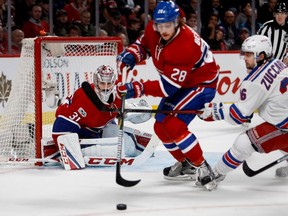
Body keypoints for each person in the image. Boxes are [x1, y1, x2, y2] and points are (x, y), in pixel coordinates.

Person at [116, 0, 219, 190]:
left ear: (177, 22)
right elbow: (144, 44)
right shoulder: (154, 28)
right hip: (181, 83)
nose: (163, 30)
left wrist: (136, 89)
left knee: (174, 125)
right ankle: (185, 163)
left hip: (201, 83)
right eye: (160, 25)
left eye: (168, 25)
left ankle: (203, 168)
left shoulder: (185, 45)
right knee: (160, 127)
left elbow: (168, 89)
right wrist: (133, 53)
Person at [199, 35, 288, 182]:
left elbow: (238, 116)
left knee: (244, 142)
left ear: (261, 55)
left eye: (248, 54)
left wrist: (214, 112)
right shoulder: (276, 63)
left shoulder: (255, 81)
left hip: (284, 127)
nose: (244, 58)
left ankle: (216, 174)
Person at [50, 65, 152, 169]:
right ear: (96, 82)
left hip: (98, 127)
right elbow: (60, 126)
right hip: (81, 132)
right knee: (117, 149)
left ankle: (137, 147)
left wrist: (140, 113)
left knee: (128, 145)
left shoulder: (117, 94)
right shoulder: (83, 100)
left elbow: (122, 112)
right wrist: (68, 152)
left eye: (109, 83)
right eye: (102, 83)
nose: (106, 87)